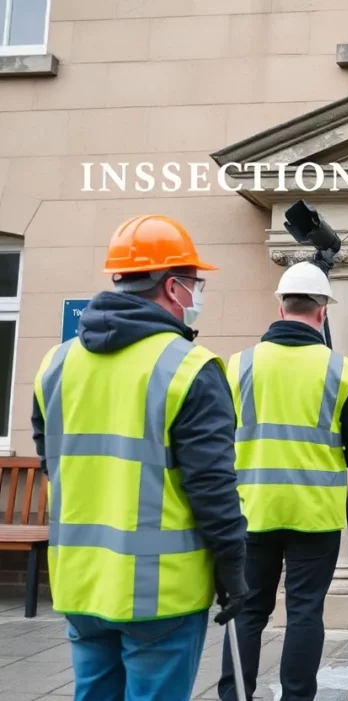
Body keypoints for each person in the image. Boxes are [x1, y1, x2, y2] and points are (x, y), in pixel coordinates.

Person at [31, 215, 250, 701]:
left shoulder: (56, 363)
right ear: (173, 287)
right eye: (197, 283)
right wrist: (235, 571)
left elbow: (52, 458)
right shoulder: (190, 367)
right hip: (160, 594)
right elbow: (212, 486)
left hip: (81, 581)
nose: (199, 294)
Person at [218, 261, 348, 701]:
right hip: (315, 513)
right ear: (322, 312)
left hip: (252, 509)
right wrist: (325, 458)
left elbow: (215, 437)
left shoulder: (239, 366)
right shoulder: (338, 369)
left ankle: (235, 695)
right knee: (305, 611)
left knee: (248, 611)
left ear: (281, 306)